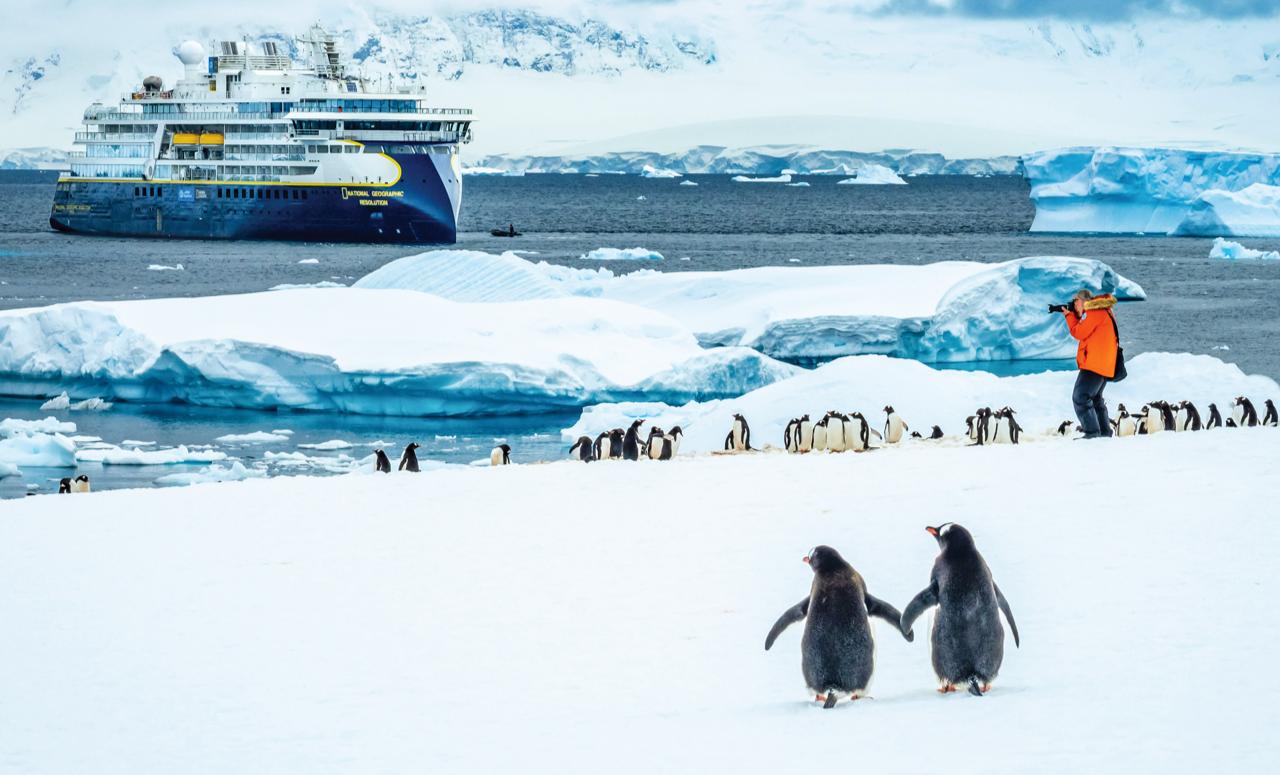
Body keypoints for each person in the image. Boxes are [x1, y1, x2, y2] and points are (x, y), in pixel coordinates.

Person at [1062, 289, 1119, 438]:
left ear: (1082, 301)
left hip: (1095, 364)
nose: (1074, 304)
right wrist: (1078, 314)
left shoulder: (1095, 313)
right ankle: (1104, 432)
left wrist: (1069, 315)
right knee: (1095, 398)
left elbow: (1078, 332)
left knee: (1080, 397)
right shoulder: (1103, 311)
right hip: (1103, 364)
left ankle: (1092, 433)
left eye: (1076, 301)